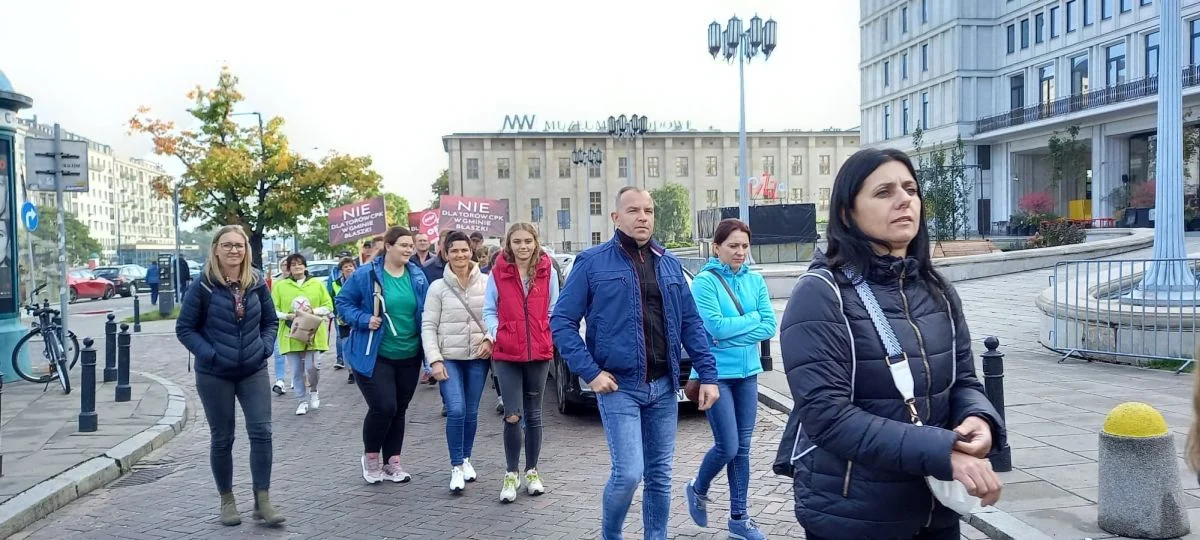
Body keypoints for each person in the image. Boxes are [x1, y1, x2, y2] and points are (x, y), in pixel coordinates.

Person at [780, 148, 1005, 540]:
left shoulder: (937, 291)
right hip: (854, 516)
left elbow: (964, 382)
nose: (904, 200)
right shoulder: (820, 294)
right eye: (883, 192)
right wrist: (942, 452)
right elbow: (828, 418)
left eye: (911, 189)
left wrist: (981, 419)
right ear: (848, 213)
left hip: (936, 509)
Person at [551, 185, 720, 540]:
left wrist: (708, 374)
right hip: (619, 387)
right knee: (628, 473)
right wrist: (591, 372)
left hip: (664, 387)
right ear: (616, 217)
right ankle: (612, 534)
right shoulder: (592, 262)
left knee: (659, 476)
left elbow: (691, 323)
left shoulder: (670, 263)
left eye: (648, 210)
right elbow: (562, 322)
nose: (643, 217)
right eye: (633, 210)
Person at [175, 225, 284, 527]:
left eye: (239, 245)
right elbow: (185, 328)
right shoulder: (203, 286)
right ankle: (227, 500)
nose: (234, 250)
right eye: (228, 245)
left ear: (246, 249)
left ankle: (262, 500)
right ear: (216, 249)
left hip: (253, 369)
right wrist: (210, 354)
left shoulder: (257, 281)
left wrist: (263, 348)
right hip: (214, 374)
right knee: (223, 438)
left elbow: (271, 321)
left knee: (262, 432)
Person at [681, 218, 777, 540]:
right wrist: (748, 324)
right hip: (714, 375)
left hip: (748, 374)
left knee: (744, 449)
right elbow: (715, 328)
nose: (739, 252)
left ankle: (739, 520)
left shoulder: (756, 281)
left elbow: (769, 326)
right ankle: (698, 488)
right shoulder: (705, 283)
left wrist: (734, 331)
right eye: (733, 246)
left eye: (744, 246)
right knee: (728, 446)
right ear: (717, 247)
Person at [336, 226, 430, 484]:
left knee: (399, 408)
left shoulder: (417, 276)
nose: (409, 249)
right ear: (388, 246)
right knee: (383, 406)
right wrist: (365, 319)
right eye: (403, 245)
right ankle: (371, 458)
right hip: (374, 353)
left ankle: (393, 462)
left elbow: (424, 312)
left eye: (411, 245)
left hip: (409, 353)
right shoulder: (366, 274)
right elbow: (342, 303)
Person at [483, 222, 560, 503]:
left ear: (535, 242)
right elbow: (489, 309)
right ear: (509, 244)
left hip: (538, 353)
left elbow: (554, 306)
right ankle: (511, 473)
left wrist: (545, 331)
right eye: (517, 241)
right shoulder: (499, 271)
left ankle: (532, 471)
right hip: (507, 354)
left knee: (535, 414)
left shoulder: (546, 270)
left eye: (528, 241)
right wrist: (496, 332)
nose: (523, 246)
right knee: (512, 415)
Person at [422, 230, 490, 493]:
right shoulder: (437, 287)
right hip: (448, 358)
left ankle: (466, 459)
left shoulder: (486, 283)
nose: (460, 255)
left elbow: (496, 316)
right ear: (445, 254)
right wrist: (434, 360)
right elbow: (428, 325)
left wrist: (489, 339)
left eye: (464, 250)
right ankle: (455, 466)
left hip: (477, 358)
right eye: (454, 251)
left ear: (471, 251)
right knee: (457, 409)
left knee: (471, 412)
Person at [271, 253, 334, 416]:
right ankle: (301, 400)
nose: (297, 267)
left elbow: (328, 306)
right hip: (289, 333)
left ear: (305, 266)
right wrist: (286, 315)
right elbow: (273, 309)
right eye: (293, 265)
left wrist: (314, 311)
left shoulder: (316, 284)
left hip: (312, 332)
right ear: (289, 268)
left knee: (312, 367)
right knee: (296, 370)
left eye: (300, 264)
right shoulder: (280, 286)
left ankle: (313, 390)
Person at [328, 257, 357, 383]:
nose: (348, 268)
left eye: (351, 266)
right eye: (345, 266)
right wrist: (335, 313)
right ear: (341, 270)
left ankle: (359, 369)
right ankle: (351, 371)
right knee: (346, 345)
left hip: (357, 318)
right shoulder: (335, 284)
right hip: (343, 320)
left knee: (358, 344)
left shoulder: (360, 281)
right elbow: (331, 300)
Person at [270, 260, 290, 395]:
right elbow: (272, 304)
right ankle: (280, 380)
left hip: (299, 324)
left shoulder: (305, 282)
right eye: (283, 266)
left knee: (299, 355)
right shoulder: (276, 283)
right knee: (279, 352)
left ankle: (298, 378)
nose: (286, 268)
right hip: (281, 322)